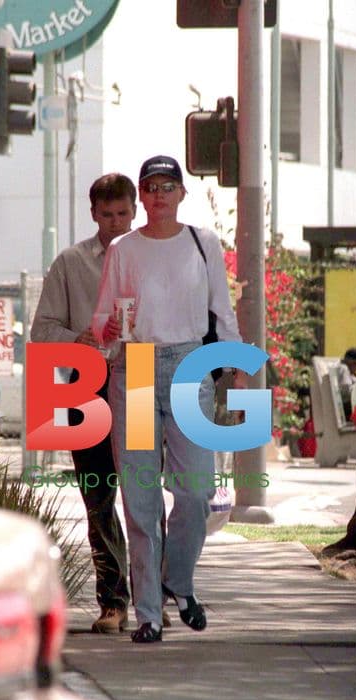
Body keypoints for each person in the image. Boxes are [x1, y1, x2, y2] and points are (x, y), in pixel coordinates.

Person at [92, 155, 246, 643]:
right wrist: (108, 330)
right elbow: (101, 326)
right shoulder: (122, 249)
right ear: (142, 198)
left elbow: (221, 310)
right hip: (135, 368)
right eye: (150, 187)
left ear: (181, 193)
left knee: (197, 491)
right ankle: (149, 616)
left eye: (167, 186)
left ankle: (176, 579)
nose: (159, 195)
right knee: (140, 501)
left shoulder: (203, 244)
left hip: (189, 366)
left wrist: (240, 368)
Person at [30, 173, 137, 634]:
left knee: (143, 494)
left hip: (140, 381)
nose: (115, 223)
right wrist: (78, 337)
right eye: (106, 214)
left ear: (134, 211)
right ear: (93, 213)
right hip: (84, 385)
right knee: (98, 496)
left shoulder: (152, 259)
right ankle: (112, 601)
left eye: (122, 213)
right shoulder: (71, 263)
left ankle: (152, 594)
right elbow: (41, 330)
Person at [336, 347, 356, 420]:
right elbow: (347, 392)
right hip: (344, 406)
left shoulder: (350, 373)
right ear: (348, 361)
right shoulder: (343, 368)